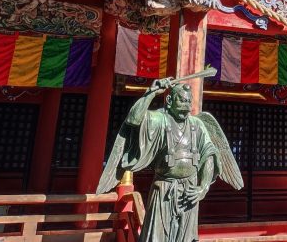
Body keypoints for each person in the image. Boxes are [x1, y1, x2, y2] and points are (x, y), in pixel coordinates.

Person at [98, 76, 242, 242]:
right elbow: (134, 119)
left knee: (185, 238)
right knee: (157, 237)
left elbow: (209, 155)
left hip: (190, 189)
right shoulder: (159, 120)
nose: (187, 106)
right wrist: (151, 92)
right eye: (182, 100)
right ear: (169, 100)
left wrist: (203, 188)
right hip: (164, 189)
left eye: (189, 101)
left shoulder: (197, 125)